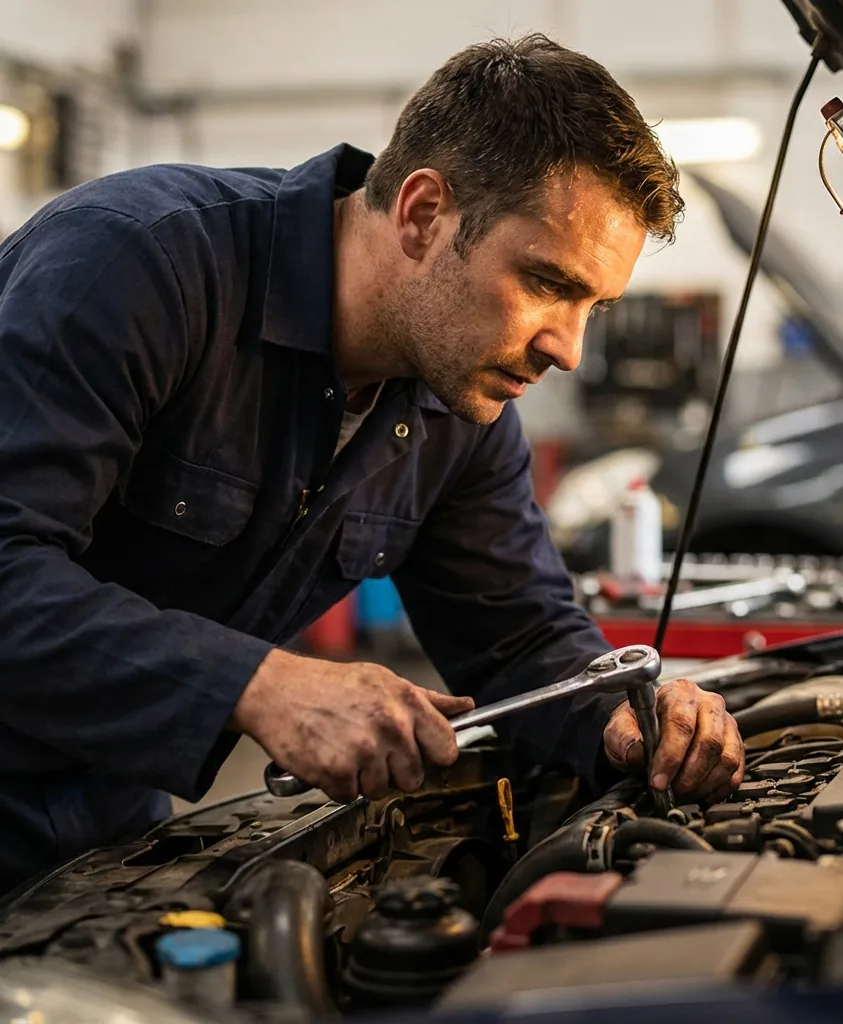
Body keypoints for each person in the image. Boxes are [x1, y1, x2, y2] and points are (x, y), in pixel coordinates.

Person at [0, 34, 743, 895]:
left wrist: (626, 718)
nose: (568, 350)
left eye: (594, 307)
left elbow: (519, 637)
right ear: (423, 213)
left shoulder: (459, 403)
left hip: (98, 815)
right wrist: (264, 684)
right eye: (545, 282)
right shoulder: (137, 267)